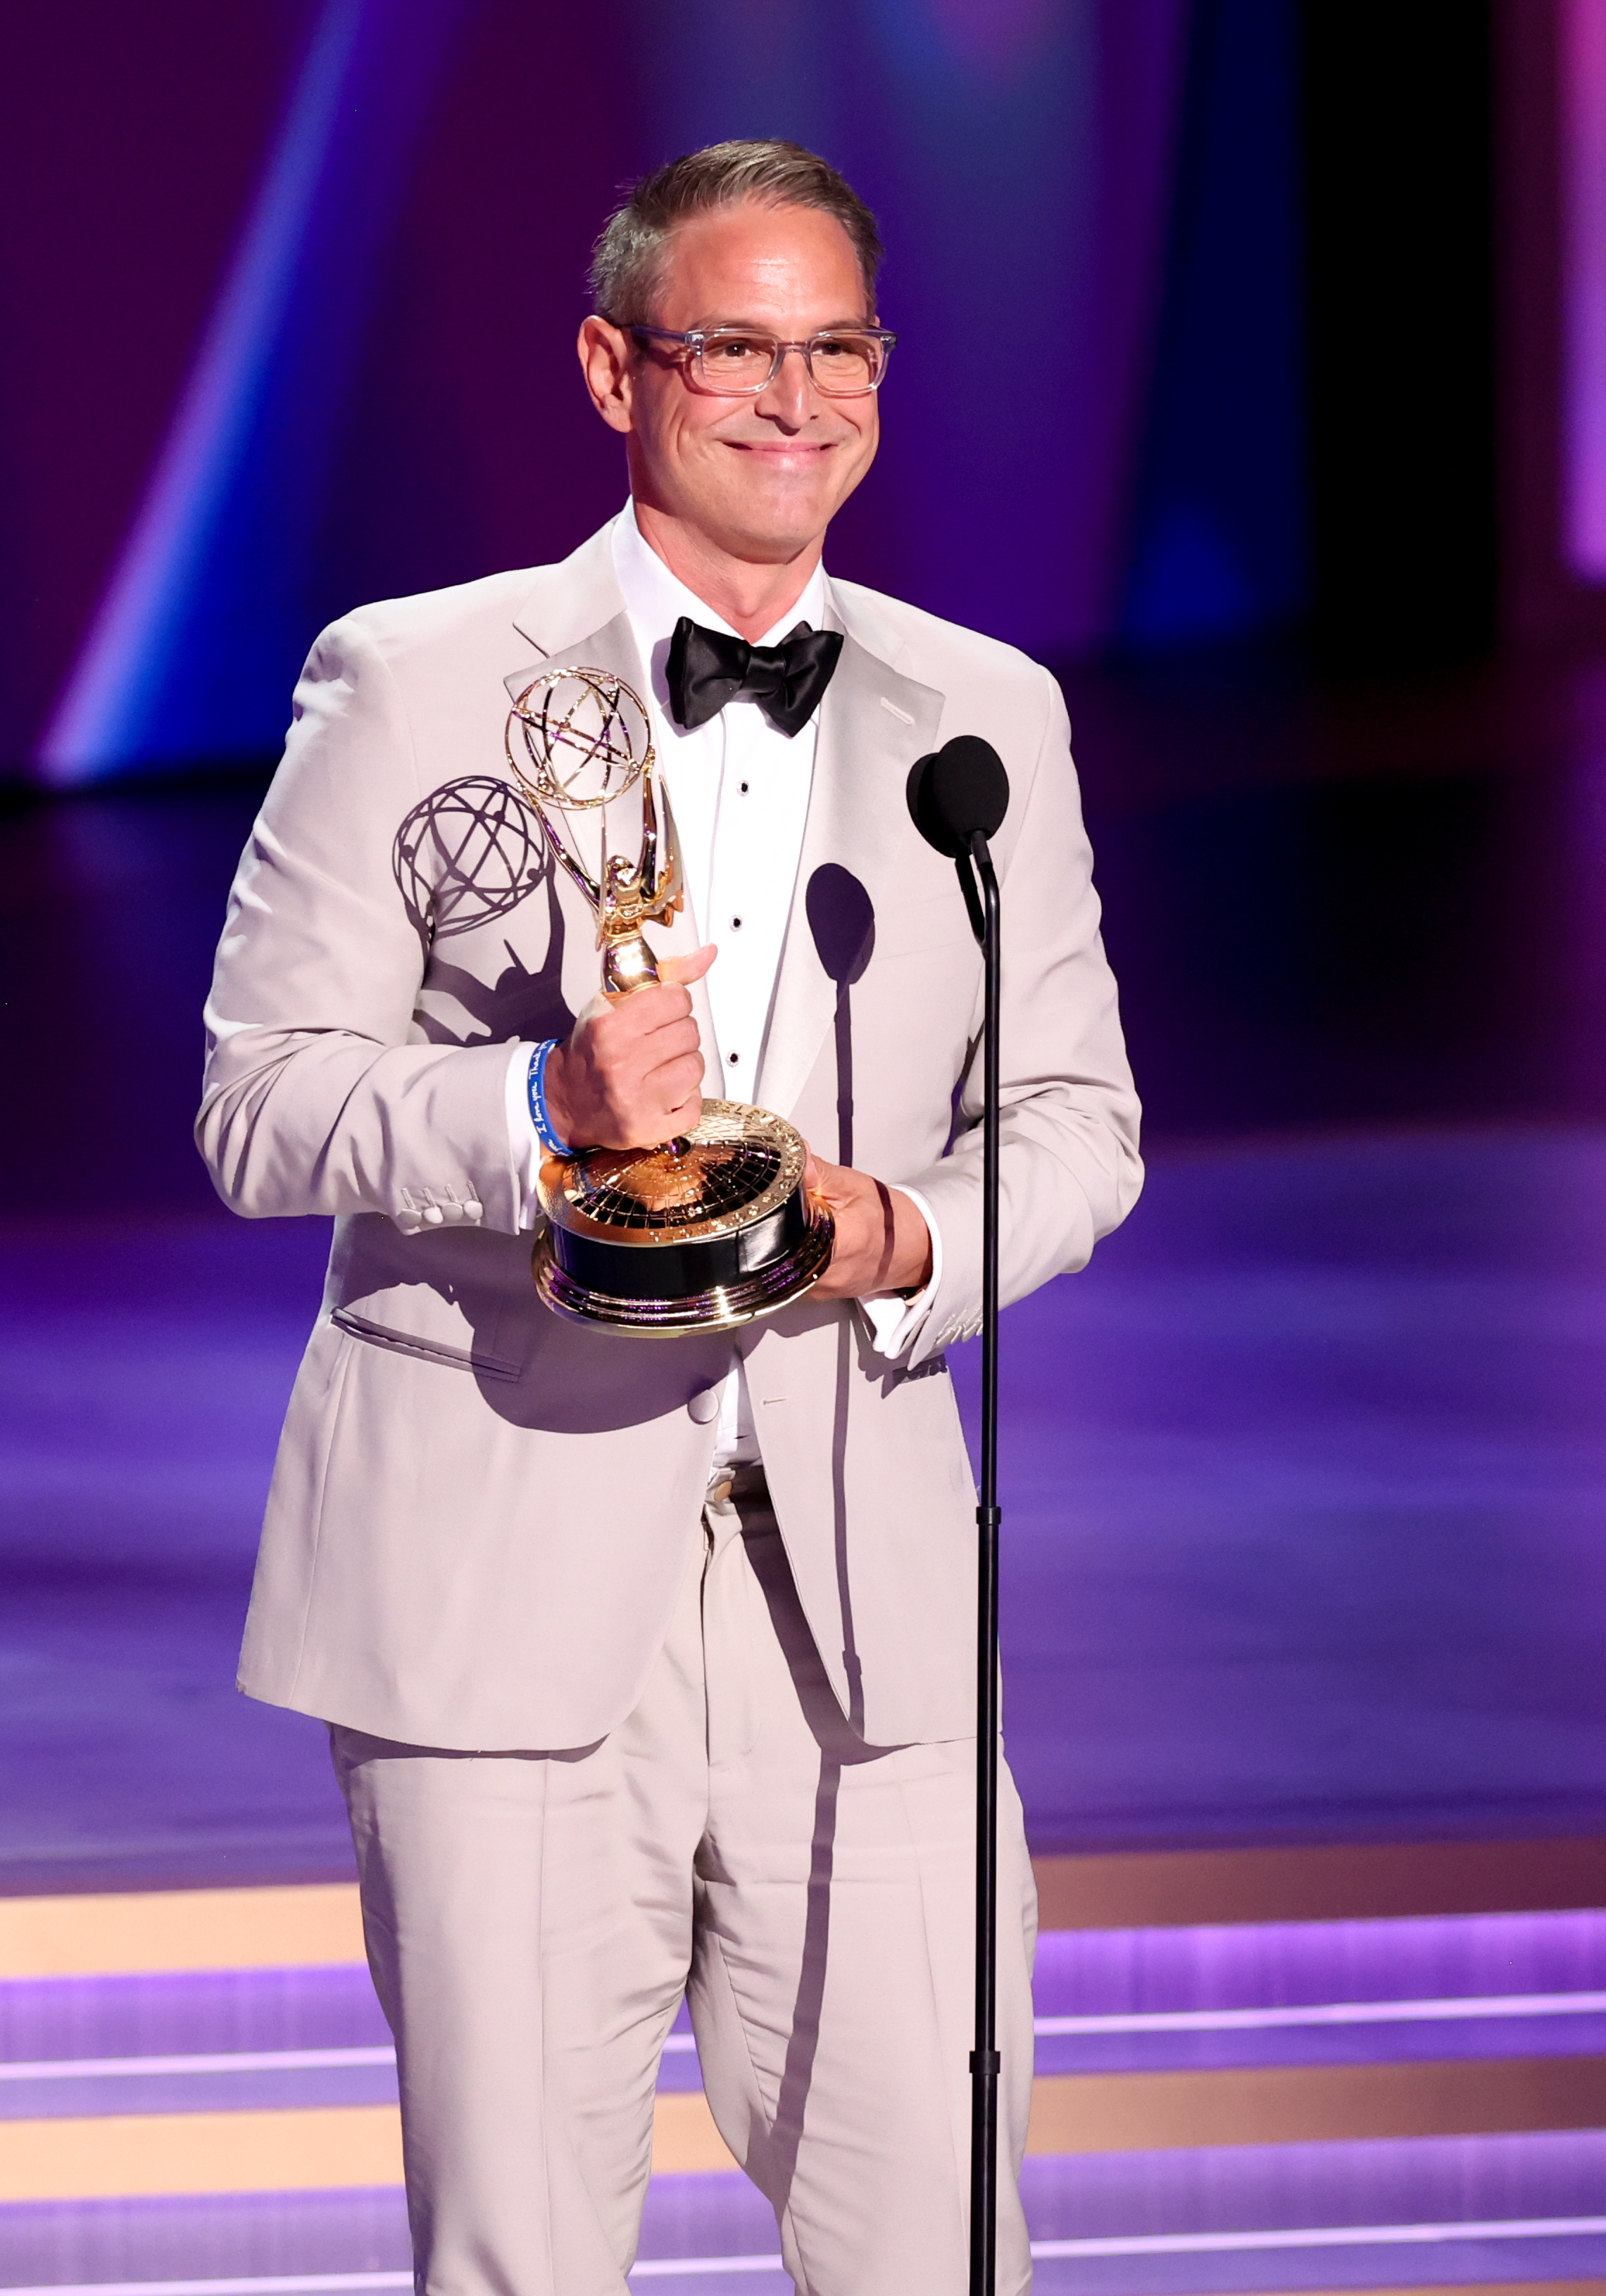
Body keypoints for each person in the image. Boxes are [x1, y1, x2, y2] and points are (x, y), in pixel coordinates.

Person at [199, 139, 1141, 2296]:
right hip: (500, 1578)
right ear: (617, 368)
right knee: (521, 2257)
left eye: (843, 352)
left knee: (943, 2246)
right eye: (738, 347)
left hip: (865, 1609)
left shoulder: (985, 716)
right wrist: (540, 1104)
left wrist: (892, 1236)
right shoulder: (414, 675)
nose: (796, 401)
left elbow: (1078, 1125)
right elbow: (260, 1107)